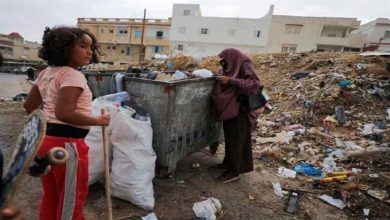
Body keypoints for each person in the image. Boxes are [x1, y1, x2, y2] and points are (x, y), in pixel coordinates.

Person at [23, 26, 110, 220]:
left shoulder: (46, 73)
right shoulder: (73, 75)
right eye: (82, 46)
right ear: (64, 48)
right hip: (68, 146)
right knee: (70, 200)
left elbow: (29, 106)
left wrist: (49, 124)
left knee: (51, 195)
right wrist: (98, 120)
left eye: (91, 47)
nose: (89, 51)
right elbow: (64, 113)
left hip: (45, 141)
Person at [211, 48, 260, 183]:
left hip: (240, 108)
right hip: (230, 107)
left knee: (237, 140)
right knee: (231, 138)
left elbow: (254, 84)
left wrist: (231, 81)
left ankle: (234, 171)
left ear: (232, 58)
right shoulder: (232, 66)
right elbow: (227, 75)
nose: (223, 63)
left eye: (224, 60)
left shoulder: (244, 63)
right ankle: (228, 163)